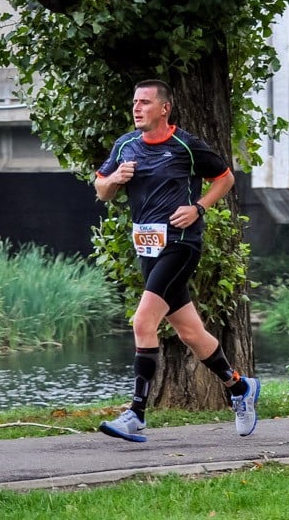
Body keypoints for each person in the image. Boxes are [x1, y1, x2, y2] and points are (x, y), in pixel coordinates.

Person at [94, 79, 259, 441]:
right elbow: (101, 189)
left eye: (145, 102)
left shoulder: (184, 144)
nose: (137, 108)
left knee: (142, 322)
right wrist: (115, 180)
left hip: (181, 244)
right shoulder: (125, 145)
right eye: (135, 102)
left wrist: (198, 207)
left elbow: (225, 177)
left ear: (164, 108)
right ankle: (238, 388)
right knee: (191, 332)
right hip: (148, 249)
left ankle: (136, 412)